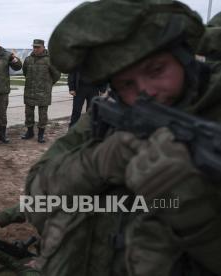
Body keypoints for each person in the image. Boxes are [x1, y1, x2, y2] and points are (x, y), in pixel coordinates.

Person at [22, 0, 221, 275]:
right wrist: (95, 163)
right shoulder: (108, 117)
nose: (146, 92)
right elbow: (35, 195)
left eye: (156, 70)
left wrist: (195, 216)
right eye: (127, 84)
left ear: (184, 58)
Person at [21, 39, 61, 143]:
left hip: (44, 92)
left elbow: (56, 75)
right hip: (30, 91)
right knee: (28, 113)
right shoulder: (28, 59)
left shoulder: (50, 60)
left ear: (43, 47)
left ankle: (41, 134)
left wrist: (48, 84)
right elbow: (25, 73)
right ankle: (30, 132)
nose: (35, 49)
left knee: (42, 115)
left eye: (38, 47)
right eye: (34, 47)